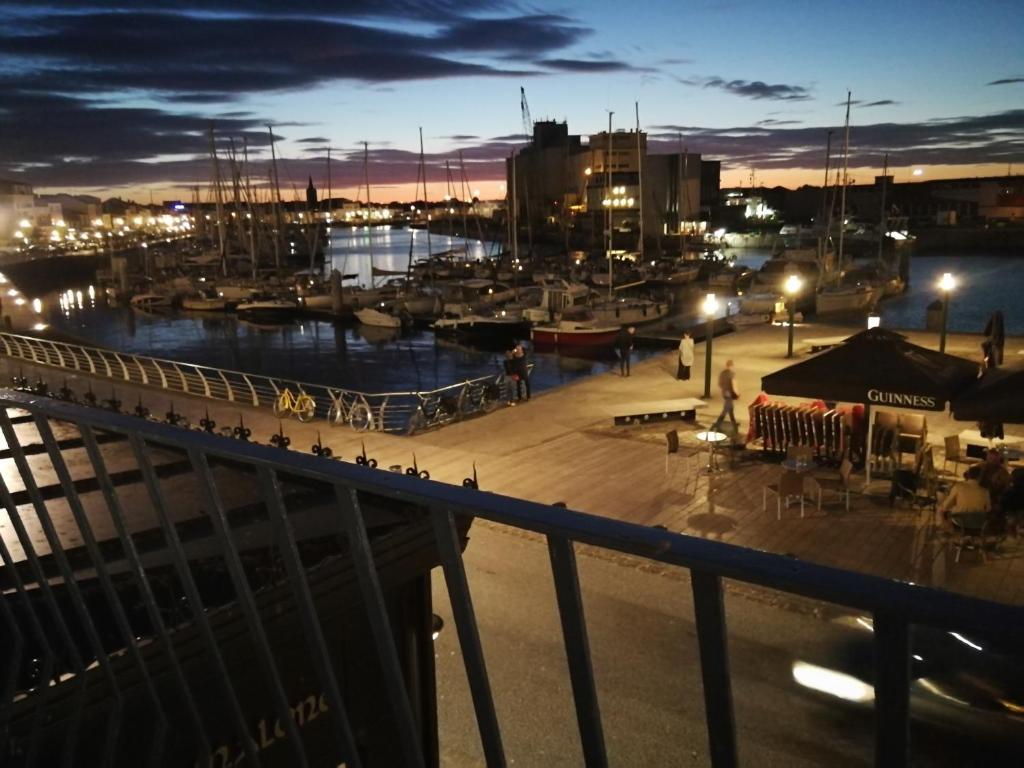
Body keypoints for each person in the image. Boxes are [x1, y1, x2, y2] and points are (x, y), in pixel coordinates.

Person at [711, 359, 739, 434]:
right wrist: (737, 394)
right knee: (727, 410)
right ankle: (717, 425)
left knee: (730, 410)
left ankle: (734, 425)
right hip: (730, 394)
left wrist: (724, 389)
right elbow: (734, 385)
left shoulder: (722, 373)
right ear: (731, 365)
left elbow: (720, 383)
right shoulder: (732, 374)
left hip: (725, 393)